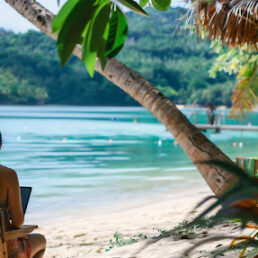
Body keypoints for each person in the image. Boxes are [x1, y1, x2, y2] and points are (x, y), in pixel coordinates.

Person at [0, 132, 46, 258]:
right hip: (4, 249)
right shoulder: (7, 175)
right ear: (0, 145)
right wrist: (20, 232)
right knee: (41, 240)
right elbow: (18, 221)